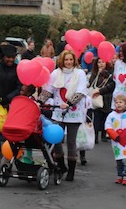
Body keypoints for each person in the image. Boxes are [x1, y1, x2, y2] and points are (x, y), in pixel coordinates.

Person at [39, 49, 88, 181]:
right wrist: (40, 101)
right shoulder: (56, 73)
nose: (68, 62)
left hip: (74, 112)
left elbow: (81, 91)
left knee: (71, 142)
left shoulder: (80, 74)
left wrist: (70, 103)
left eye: (71, 59)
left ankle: (71, 170)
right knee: (56, 140)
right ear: (62, 60)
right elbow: (48, 90)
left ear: (74, 60)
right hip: (58, 112)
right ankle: (61, 165)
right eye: (66, 60)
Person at [88, 57, 114, 145]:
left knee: (106, 117)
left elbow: (112, 84)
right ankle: (95, 136)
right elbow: (92, 83)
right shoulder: (94, 74)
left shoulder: (110, 73)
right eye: (99, 62)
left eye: (103, 62)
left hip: (107, 98)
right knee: (97, 118)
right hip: (97, 98)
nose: (101, 64)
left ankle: (104, 134)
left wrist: (105, 74)